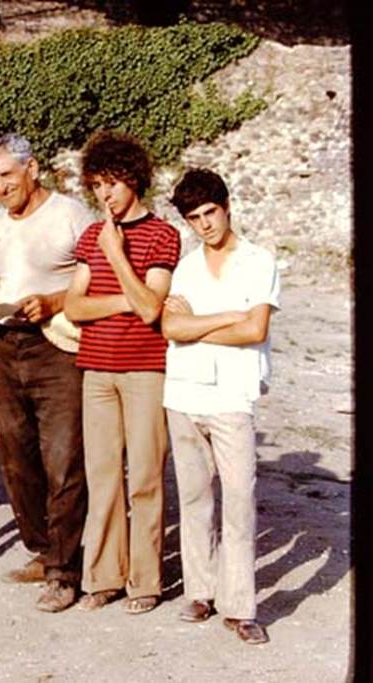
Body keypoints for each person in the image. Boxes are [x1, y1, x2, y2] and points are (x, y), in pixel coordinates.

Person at [0, 133, 94, 611]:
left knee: (63, 459)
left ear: (32, 169)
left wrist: (53, 301)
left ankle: (65, 571)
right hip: (8, 347)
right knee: (17, 460)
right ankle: (44, 551)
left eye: (7, 175)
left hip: (59, 346)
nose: (0, 187)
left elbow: (98, 280)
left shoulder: (70, 215)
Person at [65, 130, 181, 615]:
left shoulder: (162, 235)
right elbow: (73, 306)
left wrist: (117, 257)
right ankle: (104, 577)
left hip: (145, 370)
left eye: (111, 183)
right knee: (104, 475)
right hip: (96, 370)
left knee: (146, 478)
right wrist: (122, 301)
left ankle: (145, 582)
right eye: (96, 186)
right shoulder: (91, 235)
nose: (104, 194)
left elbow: (152, 310)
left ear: (134, 179)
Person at [162, 168, 278, 645]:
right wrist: (230, 314)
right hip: (184, 391)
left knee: (239, 498)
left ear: (227, 207)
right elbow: (171, 328)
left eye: (210, 212)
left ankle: (241, 605)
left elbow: (255, 332)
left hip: (232, 393)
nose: (205, 224)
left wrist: (201, 324)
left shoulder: (258, 261)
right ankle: (200, 591)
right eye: (195, 217)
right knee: (193, 497)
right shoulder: (187, 267)